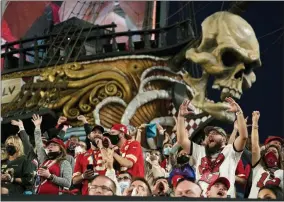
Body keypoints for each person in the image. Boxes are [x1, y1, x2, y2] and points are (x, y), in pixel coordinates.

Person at [176, 98, 248, 197]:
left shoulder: (231, 151)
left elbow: (243, 137)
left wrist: (239, 113)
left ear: (223, 138)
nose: (210, 135)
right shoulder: (200, 150)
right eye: (209, 134)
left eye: (214, 133)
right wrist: (180, 117)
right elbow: (181, 140)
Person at [32, 114, 72, 195]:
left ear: (61, 149)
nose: (50, 147)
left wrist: (50, 176)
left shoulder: (64, 163)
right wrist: (37, 127)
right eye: (49, 145)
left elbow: (67, 183)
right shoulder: (44, 159)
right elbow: (39, 143)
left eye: (54, 145)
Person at [249, 111, 284, 198]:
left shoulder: (282, 173)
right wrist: (255, 123)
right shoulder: (258, 168)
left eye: (275, 152)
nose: (271, 152)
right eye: (268, 151)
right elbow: (254, 147)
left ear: (279, 157)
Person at [72, 115, 105, 195]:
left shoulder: (110, 152)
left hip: (106, 193)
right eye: (94, 132)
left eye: (100, 133)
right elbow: (74, 181)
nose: (97, 134)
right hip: (87, 194)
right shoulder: (81, 156)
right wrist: (83, 176)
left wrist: (102, 148)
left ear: (103, 137)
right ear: (89, 136)